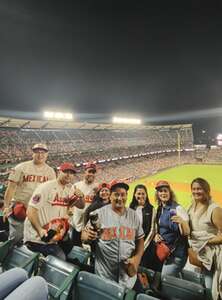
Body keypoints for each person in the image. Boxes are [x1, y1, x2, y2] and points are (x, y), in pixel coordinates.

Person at [81, 180, 144, 289]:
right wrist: (87, 236)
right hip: (105, 276)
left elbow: (140, 240)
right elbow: (84, 236)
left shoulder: (133, 216)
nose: (120, 198)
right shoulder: (99, 214)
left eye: (123, 195)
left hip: (128, 278)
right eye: (116, 194)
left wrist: (136, 260)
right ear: (110, 196)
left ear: (127, 196)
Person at [24, 162, 85, 260]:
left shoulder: (68, 190)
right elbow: (30, 211)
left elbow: (81, 206)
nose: (69, 175)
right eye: (66, 171)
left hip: (54, 236)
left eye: (72, 173)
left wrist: (81, 196)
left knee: (69, 249)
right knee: (60, 258)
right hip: (38, 237)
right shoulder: (45, 187)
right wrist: (40, 230)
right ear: (58, 172)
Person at [3, 143, 56, 244]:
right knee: (16, 239)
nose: (40, 155)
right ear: (32, 153)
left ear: (47, 155)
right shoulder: (21, 167)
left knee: (35, 240)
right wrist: (6, 206)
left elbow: (51, 192)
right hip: (20, 208)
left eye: (42, 152)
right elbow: (11, 188)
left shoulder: (50, 171)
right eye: (37, 152)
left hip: (38, 210)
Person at [188, 178, 222, 300]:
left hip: (211, 255)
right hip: (197, 253)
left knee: (209, 287)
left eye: (199, 189)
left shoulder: (214, 209)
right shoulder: (192, 207)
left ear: (206, 190)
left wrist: (205, 242)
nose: (196, 191)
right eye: (194, 189)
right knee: (199, 284)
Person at [154, 180, 190, 278]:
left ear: (170, 192)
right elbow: (160, 227)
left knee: (164, 279)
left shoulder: (178, 209)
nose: (163, 193)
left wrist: (182, 222)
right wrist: (156, 235)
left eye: (165, 191)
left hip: (177, 255)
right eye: (160, 191)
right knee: (174, 279)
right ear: (157, 194)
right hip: (166, 252)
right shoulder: (160, 208)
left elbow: (186, 232)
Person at [129, 184, 160, 271]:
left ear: (146, 195)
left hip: (146, 248)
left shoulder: (151, 209)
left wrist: (142, 247)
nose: (141, 196)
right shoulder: (131, 208)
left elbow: (152, 230)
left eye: (143, 193)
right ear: (134, 195)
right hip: (132, 247)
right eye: (138, 194)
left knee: (143, 271)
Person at [71, 162, 98, 246]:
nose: (91, 174)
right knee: (75, 249)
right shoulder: (76, 186)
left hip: (90, 226)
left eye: (93, 172)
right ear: (85, 172)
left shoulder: (98, 188)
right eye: (89, 171)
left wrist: (97, 194)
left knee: (89, 249)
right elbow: (69, 204)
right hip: (76, 225)